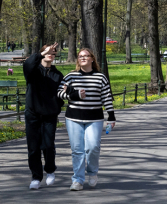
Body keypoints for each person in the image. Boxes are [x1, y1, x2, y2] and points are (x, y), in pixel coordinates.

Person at [57, 48, 116, 191]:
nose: (83, 58)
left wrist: (111, 116)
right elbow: (59, 93)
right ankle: (77, 180)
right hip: (73, 118)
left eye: (86, 56)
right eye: (80, 56)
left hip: (94, 118)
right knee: (77, 150)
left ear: (92, 59)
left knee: (93, 147)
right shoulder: (71, 76)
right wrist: (74, 95)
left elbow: (106, 97)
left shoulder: (100, 77)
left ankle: (92, 173)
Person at [23, 42, 65, 190]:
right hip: (33, 114)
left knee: (47, 145)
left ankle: (50, 170)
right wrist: (41, 53)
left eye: (53, 53)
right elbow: (28, 64)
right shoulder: (33, 72)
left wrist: (56, 107)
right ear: (42, 54)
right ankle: (36, 177)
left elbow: (61, 94)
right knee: (33, 147)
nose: (50, 54)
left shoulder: (57, 75)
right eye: (47, 52)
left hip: (49, 115)